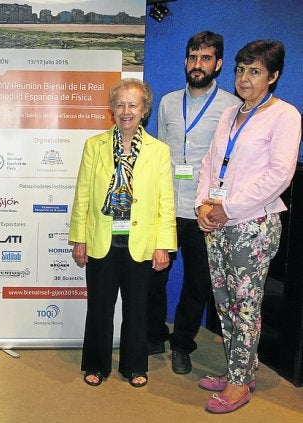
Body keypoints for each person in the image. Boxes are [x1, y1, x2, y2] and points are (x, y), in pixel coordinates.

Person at [196, 40, 301, 413]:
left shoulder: (285, 115)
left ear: (273, 76)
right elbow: (211, 162)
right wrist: (203, 205)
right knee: (224, 303)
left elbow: (279, 176)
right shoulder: (229, 113)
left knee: (246, 307)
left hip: (252, 226)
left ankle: (239, 384)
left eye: (254, 71)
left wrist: (228, 207)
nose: (244, 78)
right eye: (240, 70)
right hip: (219, 222)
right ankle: (240, 368)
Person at [69, 78, 177, 388]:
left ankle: (134, 366)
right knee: (99, 309)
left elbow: (165, 203)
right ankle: (96, 364)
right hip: (102, 239)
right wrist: (79, 238)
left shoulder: (159, 151)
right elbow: (83, 196)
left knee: (137, 310)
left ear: (144, 110)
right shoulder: (95, 146)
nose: (126, 111)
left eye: (133, 105)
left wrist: (163, 246)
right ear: (111, 109)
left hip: (141, 242)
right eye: (120, 104)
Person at [147, 31, 241, 375]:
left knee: (198, 282)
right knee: (154, 276)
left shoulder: (231, 106)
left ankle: (183, 344)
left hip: (204, 209)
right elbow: (158, 154)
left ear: (218, 64)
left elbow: (231, 162)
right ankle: (155, 335)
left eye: (204, 58)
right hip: (167, 206)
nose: (197, 64)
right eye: (192, 57)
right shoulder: (169, 102)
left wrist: (219, 204)